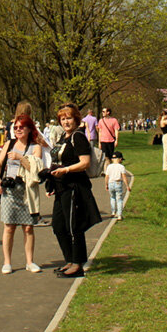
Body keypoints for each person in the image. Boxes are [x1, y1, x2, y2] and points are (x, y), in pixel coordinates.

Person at [47, 103, 102, 278]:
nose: (66, 122)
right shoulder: (63, 137)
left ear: (76, 119)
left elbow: (84, 162)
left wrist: (66, 170)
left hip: (74, 187)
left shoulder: (78, 137)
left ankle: (78, 264)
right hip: (61, 186)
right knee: (58, 225)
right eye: (62, 119)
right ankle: (69, 259)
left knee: (73, 226)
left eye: (69, 118)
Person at [0, 114, 47, 273]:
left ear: (29, 128)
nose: (18, 130)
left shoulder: (35, 146)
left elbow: (35, 168)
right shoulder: (9, 144)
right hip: (10, 190)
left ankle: (30, 262)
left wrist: (20, 157)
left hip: (27, 191)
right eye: (15, 127)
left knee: (28, 227)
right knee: (9, 227)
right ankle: (7, 262)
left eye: (21, 127)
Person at [105, 150, 134, 220]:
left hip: (111, 183)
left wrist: (106, 184)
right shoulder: (121, 167)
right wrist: (127, 185)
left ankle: (113, 212)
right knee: (119, 199)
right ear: (120, 159)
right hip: (118, 183)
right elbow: (124, 177)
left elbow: (107, 177)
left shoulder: (109, 167)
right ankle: (119, 215)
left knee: (112, 197)